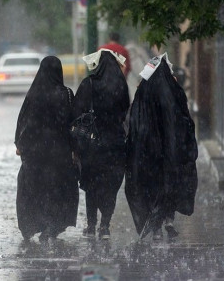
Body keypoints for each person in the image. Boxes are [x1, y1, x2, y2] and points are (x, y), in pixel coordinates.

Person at [125, 53, 198, 241]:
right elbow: (186, 121)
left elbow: (134, 120)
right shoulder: (175, 92)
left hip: (148, 152)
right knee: (169, 184)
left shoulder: (143, 93)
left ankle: (155, 227)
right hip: (171, 151)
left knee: (152, 186)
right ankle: (168, 220)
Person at [14, 56, 79, 243]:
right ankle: (53, 226)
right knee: (58, 189)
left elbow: (24, 122)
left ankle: (32, 225)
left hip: (35, 153)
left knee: (34, 189)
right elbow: (72, 124)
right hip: (59, 152)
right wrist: (75, 149)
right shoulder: (66, 94)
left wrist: (20, 144)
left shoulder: (33, 95)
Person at [72, 50, 130, 240]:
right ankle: (105, 225)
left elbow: (77, 112)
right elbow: (124, 112)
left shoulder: (88, 84)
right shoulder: (121, 84)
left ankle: (91, 224)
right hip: (115, 143)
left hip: (92, 143)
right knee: (110, 184)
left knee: (92, 183)